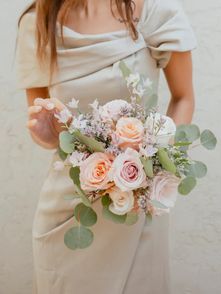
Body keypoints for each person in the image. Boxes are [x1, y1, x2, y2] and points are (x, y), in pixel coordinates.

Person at [15, 0, 197, 293]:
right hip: (70, 212)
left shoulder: (154, 12)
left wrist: (157, 164)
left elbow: (184, 96)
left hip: (138, 208)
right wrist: (45, 132)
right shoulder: (37, 22)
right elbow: (47, 133)